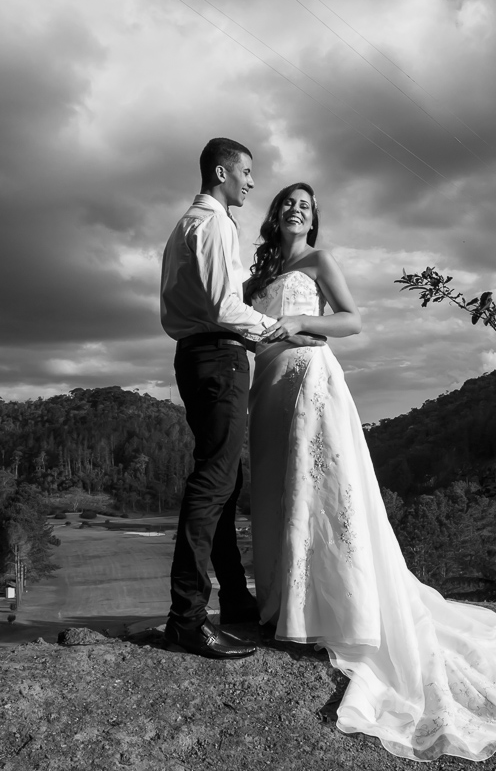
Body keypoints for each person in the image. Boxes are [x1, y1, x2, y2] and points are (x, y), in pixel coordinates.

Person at [246, 183, 496, 761]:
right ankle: (280, 605)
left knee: (317, 493)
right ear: (274, 214)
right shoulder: (259, 275)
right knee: (276, 495)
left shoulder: (318, 260)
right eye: (287, 202)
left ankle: (330, 612)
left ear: (313, 216)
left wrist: (301, 320)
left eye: (304, 204)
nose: (295, 209)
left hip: (308, 377)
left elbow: (352, 322)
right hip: (268, 388)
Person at [158, 139, 323, 660]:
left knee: (226, 483)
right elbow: (225, 307)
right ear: (222, 171)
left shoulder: (195, 223)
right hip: (217, 355)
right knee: (213, 482)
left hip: (205, 356)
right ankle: (186, 618)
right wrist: (281, 331)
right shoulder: (212, 224)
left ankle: (234, 600)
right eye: (246, 172)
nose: (251, 182)